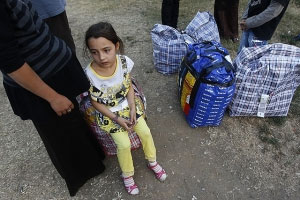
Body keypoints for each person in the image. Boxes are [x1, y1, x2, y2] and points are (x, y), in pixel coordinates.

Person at [0, 0, 105, 196]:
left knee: (74, 121)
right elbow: (10, 62)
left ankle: (94, 160)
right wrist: (52, 97)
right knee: (60, 134)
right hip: (41, 85)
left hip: (55, 68)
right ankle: (82, 172)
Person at [83, 22, 167, 195]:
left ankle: (152, 161)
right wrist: (116, 119)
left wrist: (131, 108)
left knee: (145, 132)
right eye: (94, 52)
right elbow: (95, 102)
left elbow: (128, 86)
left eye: (107, 50)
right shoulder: (90, 74)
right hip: (109, 114)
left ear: (116, 45)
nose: (102, 57)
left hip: (128, 107)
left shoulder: (123, 62)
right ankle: (127, 175)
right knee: (123, 143)